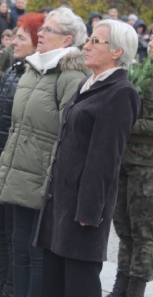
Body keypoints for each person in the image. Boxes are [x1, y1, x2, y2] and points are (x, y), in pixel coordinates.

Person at [35, 20, 141, 297]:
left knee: (79, 284)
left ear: (117, 51)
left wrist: (89, 211)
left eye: (96, 41)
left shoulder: (121, 92)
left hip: (84, 207)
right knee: (52, 283)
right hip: (61, 199)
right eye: (90, 39)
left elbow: (106, 158)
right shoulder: (87, 82)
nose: (87, 45)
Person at [0, 7, 89, 297]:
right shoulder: (35, 68)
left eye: (49, 30)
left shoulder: (71, 75)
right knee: (19, 250)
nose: (41, 34)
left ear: (67, 39)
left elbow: (70, 135)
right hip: (21, 174)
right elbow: (17, 127)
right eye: (42, 28)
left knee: (38, 257)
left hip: (45, 180)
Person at [0, 13, 44, 297]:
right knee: (0, 233)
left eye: (21, 37)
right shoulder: (13, 71)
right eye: (14, 36)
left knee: (16, 236)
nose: (14, 41)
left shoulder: (35, 76)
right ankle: (0, 285)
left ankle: (12, 287)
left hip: (16, 168)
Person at [108, 30, 153, 297]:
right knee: (124, 229)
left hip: (147, 167)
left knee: (143, 233)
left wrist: (126, 121)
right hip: (124, 161)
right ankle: (119, 287)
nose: (151, 44)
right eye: (151, 39)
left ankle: (135, 289)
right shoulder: (139, 70)